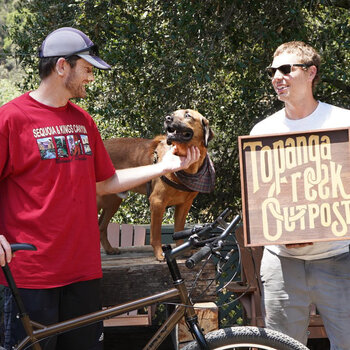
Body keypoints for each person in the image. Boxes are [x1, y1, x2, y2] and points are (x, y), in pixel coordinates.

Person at [0, 27, 200, 350]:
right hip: (32, 277)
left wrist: (163, 168)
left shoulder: (84, 121)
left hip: (84, 273)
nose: (91, 78)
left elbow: (107, 182)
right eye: (88, 69)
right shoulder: (11, 119)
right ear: (62, 66)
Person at [250, 41, 350, 349]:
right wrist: (280, 234)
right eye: (272, 71)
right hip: (281, 263)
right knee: (283, 347)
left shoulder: (344, 123)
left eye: (285, 69)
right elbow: (260, 199)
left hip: (339, 259)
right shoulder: (261, 133)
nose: (276, 77)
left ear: (311, 73)